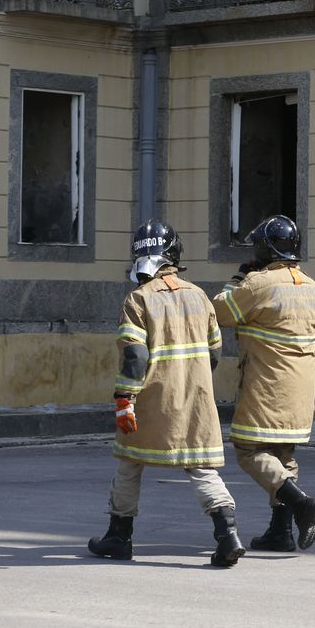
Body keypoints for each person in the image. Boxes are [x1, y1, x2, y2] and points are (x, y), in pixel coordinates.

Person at [88, 220, 245, 567]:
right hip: (196, 400)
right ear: (174, 254)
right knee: (201, 467)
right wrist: (195, 380)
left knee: (129, 462)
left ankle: (119, 536)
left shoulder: (138, 299)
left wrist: (124, 399)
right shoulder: (199, 295)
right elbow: (215, 352)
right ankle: (228, 535)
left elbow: (135, 356)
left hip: (152, 400)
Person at [212, 214, 315, 552]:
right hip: (302, 392)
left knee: (249, 450)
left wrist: (239, 276)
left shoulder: (257, 285)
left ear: (265, 249)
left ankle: (301, 504)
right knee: (284, 455)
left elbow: (220, 311)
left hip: (266, 388)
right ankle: (280, 532)